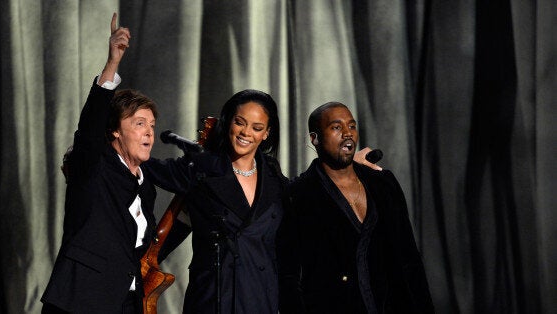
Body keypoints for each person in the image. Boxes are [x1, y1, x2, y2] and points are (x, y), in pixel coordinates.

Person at [41, 13, 186, 313]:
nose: (149, 131)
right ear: (115, 131)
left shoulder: (145, 183)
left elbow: (141, 250)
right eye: (139, 123)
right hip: (81, 302)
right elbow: (89, 130)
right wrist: (112, 65)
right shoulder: (94, 168)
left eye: (152, 124)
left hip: (126, 303)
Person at [277, 102, 434, 313]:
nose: (347, 133)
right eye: (336, 127)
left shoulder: (384, 184)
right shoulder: (298, 195)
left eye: (351, 126)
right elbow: (290, 276)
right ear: (314, 138)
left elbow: (409, 259)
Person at [143, 89, 288, 313]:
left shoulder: (272, 174)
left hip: (261, 298)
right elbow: (146, 167)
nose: (246, 132)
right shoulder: (203, 167)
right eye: (240, 122)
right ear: (228, 121)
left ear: (267, 133)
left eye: (257, 128)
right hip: (214, 298)